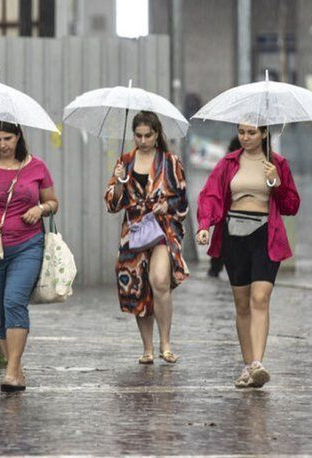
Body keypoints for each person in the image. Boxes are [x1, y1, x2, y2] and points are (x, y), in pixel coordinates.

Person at [195, 124, 300, 388]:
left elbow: (291, 206)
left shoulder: (277, 163)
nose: (245, 137)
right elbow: (210, 195)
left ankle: (257, 363)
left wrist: (276, 182)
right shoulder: (228, 163)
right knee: (242, 305)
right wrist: (205, 226)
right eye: (242, 132)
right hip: (234, 236)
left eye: (251, 132)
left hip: (266, 235)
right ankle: (247, 367)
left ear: (264, 133)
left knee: (260, 298)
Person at [0, 119, 59, 392]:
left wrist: (40, 209)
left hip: (27, 245)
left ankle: (12, 371)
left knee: (14, 301)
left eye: (8, 138)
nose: (3, 145)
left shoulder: (36, 166)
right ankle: (15, 368)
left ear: (18, 137)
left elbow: (53, 202)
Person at [104, 111, 190, 365]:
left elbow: (182, 199)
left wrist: (167, 206)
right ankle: (147, 348)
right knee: (138, 286)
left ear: (156, 134)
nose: (142, 140)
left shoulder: (170, 162)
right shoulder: (125, 162)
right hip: (134, 232)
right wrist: (119, 182)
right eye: (138, 135)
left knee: (159, 280)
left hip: (163, 229)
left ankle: (165, 343)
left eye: (148, 135)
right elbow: (112, 204)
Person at [207, 136, 241, 278]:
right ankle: (216, 270)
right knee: (223, 244)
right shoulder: (227, 164)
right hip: (228, 215)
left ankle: (215, 270)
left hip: (231, 216)